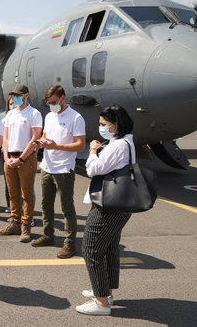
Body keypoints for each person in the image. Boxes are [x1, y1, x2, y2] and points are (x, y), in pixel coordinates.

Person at [76, 105, 135, 316]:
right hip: (118, 205)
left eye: (103, 124)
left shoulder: (118, 145)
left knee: (91, 250)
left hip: (107, 206)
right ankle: (105, 292)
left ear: (116, 124)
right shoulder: (126, 142)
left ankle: (101, 303)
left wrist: (92, 150)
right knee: (108, 248)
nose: (100, 127)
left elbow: (93, 169)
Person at [32, 85, 86, 259]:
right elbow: (46, 136)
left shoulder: (76, 117)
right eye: (49, 103)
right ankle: (48, 235)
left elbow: (80, 145)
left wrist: (57, 146)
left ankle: (70, 243)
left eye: (54, 102)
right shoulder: (49, 116)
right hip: (47, 165)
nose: (52, 106)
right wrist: (40, 142)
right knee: (46, 204)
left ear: (63, 98)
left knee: (66, 207)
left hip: (64, 168)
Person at [0, 84, 42, 243]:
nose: (15, 98)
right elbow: (6, 137)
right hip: (9, 158)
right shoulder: (10, 114)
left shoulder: (34, 113)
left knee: (26, 194)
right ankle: (14, 222)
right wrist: (6, 157)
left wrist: (21, 159)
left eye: (18, 95)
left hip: (26, 159)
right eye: (14, 96)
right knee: (13, 193)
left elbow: (35, 138)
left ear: (26, 95)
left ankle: (26, 225)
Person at [0, 96, 14, 213]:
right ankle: (10, 205)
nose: (12, 105)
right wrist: (6, 157)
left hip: (19, 154)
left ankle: (25, 212)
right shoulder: (4, 120)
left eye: (14, 103)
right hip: (6, 154)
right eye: (10, 104)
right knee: (8, 182)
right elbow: (3, 139)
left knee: (24, 186)